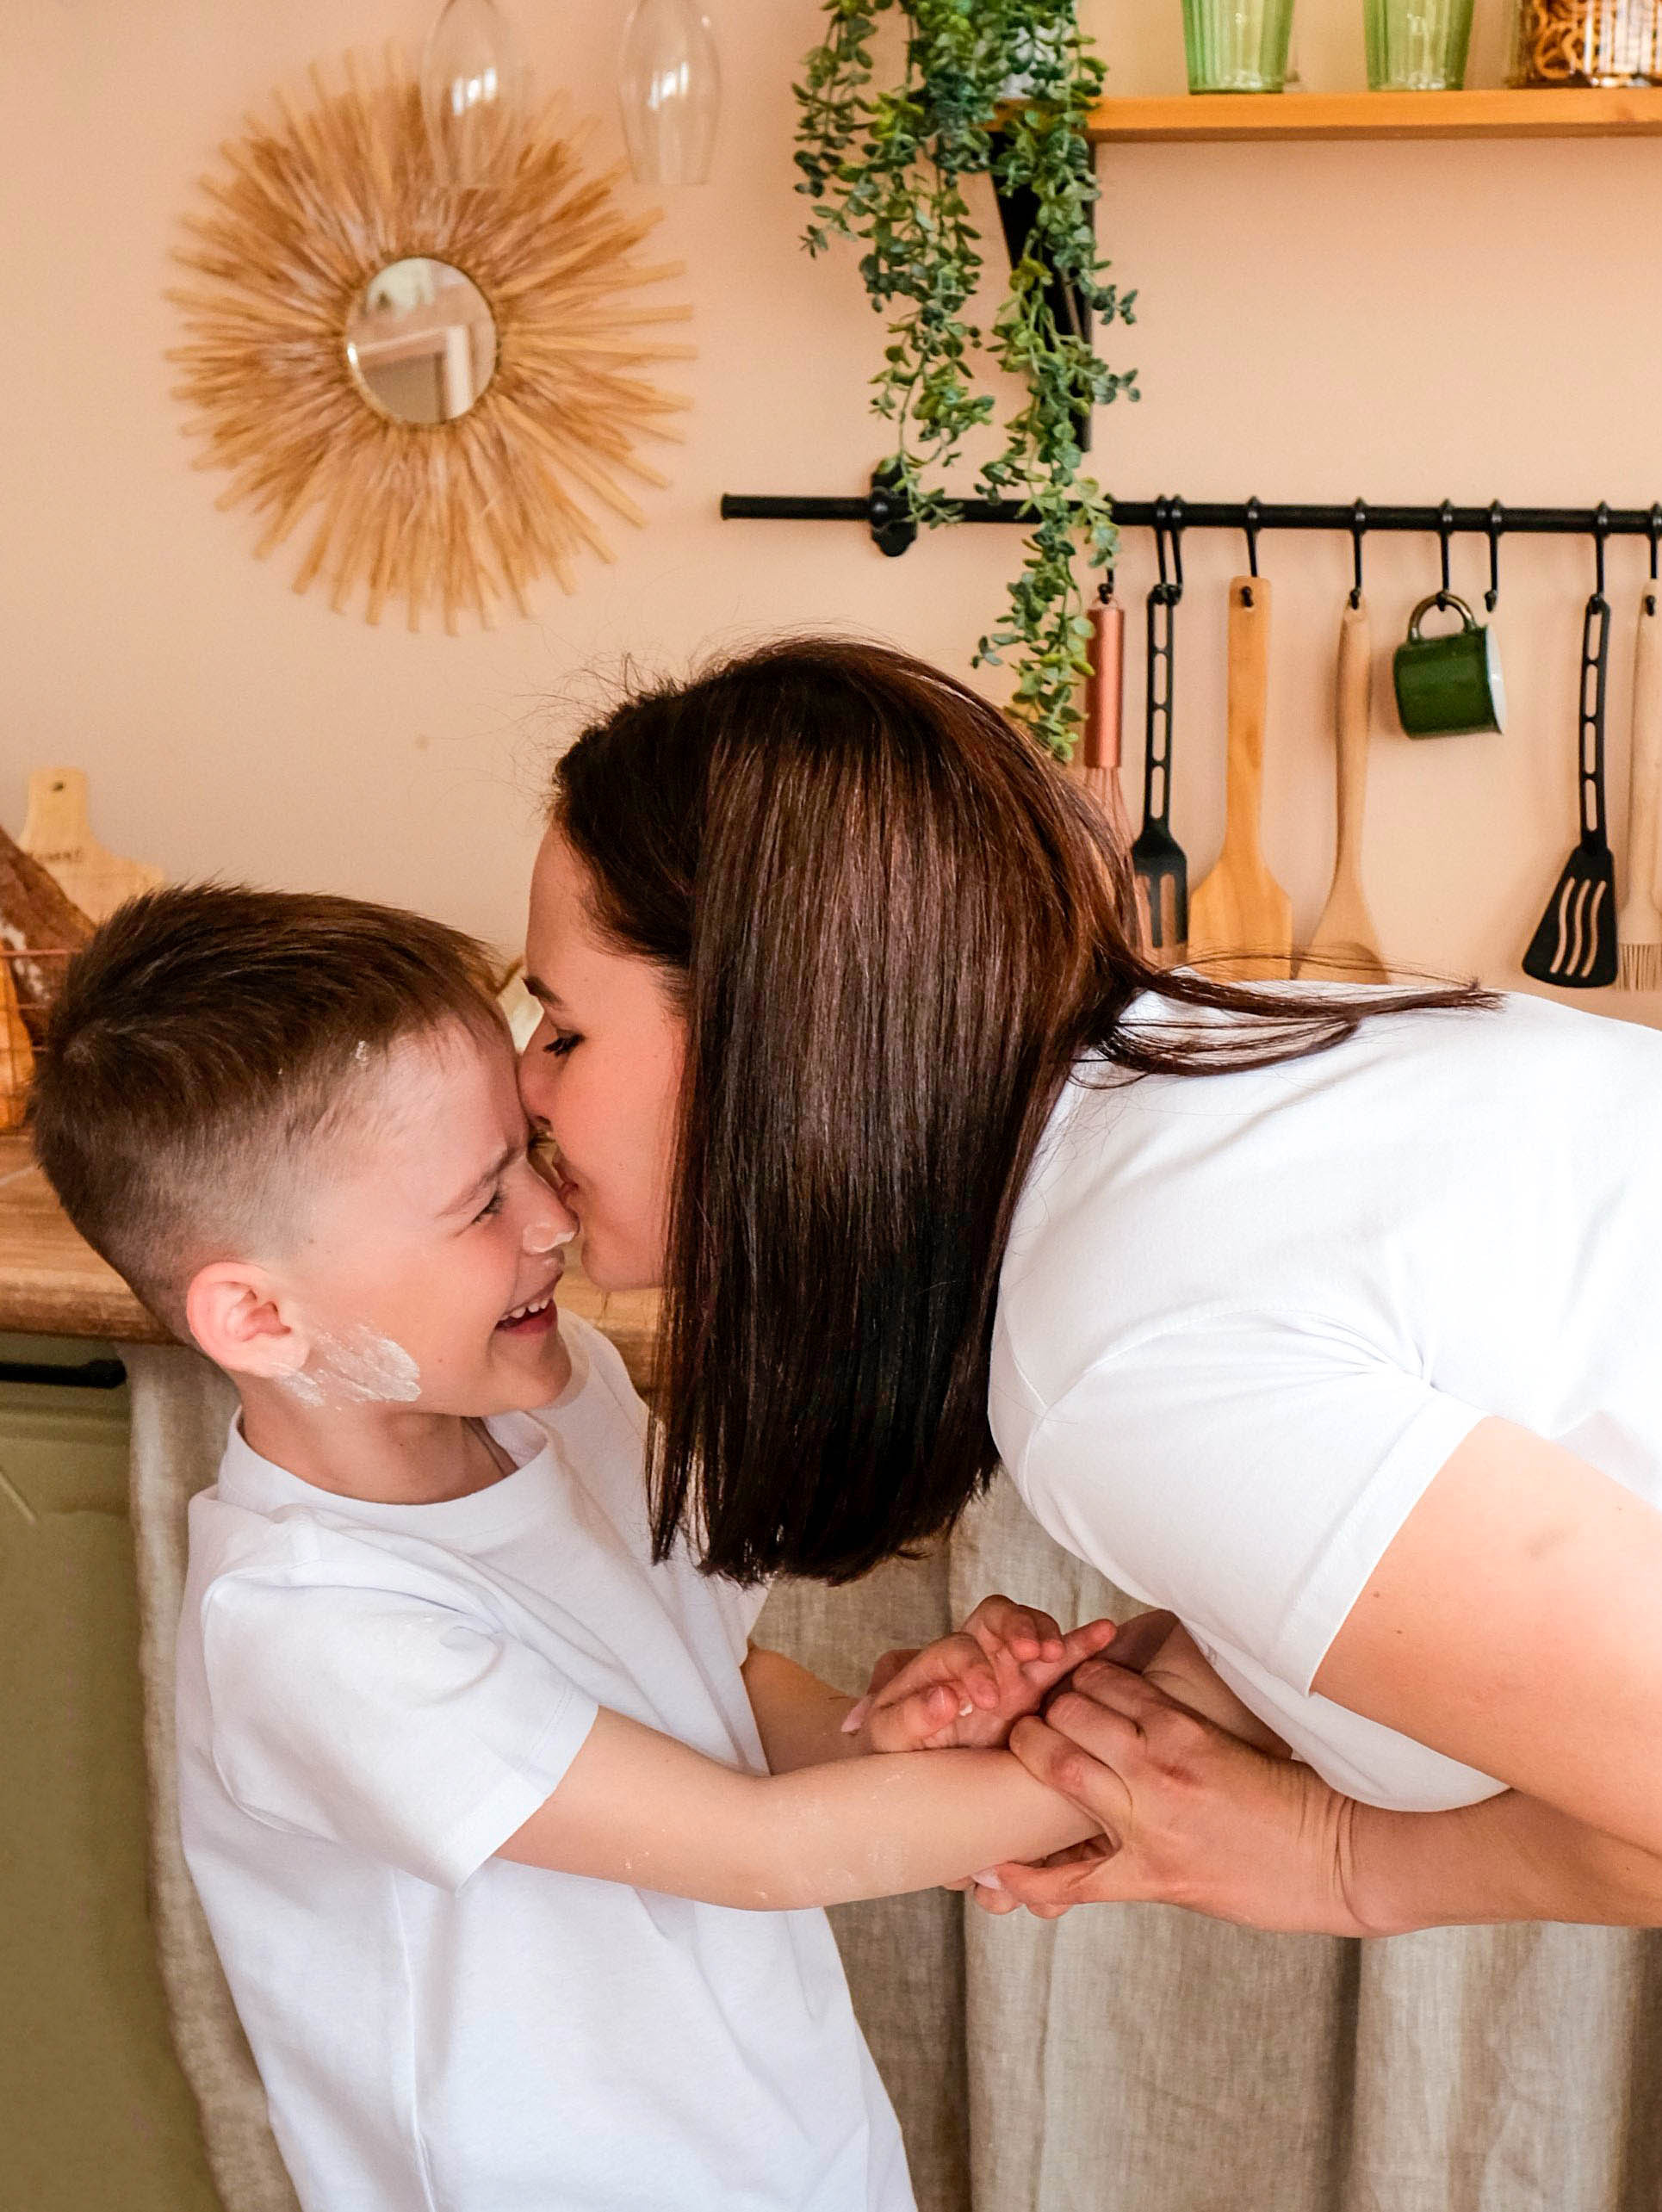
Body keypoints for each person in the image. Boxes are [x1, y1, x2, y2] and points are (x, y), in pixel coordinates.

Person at [518, 633, 1662, 1941]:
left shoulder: (1117, 1350)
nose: (526, 1089)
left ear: (765, 1035)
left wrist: (1345, 1864)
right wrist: (1180, 1684)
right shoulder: (1199, 1072)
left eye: (561, 1026)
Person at [28, 882, 1126, 2212]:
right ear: (259, 1316)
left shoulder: (564, 1392)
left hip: (794, 2150)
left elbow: (705, 1685)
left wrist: (892, 1740)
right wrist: (1143, 1762)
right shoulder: (310, 1630)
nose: (550, 1218)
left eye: (526, 1155)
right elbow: (753, 1847)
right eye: (477, 1203)